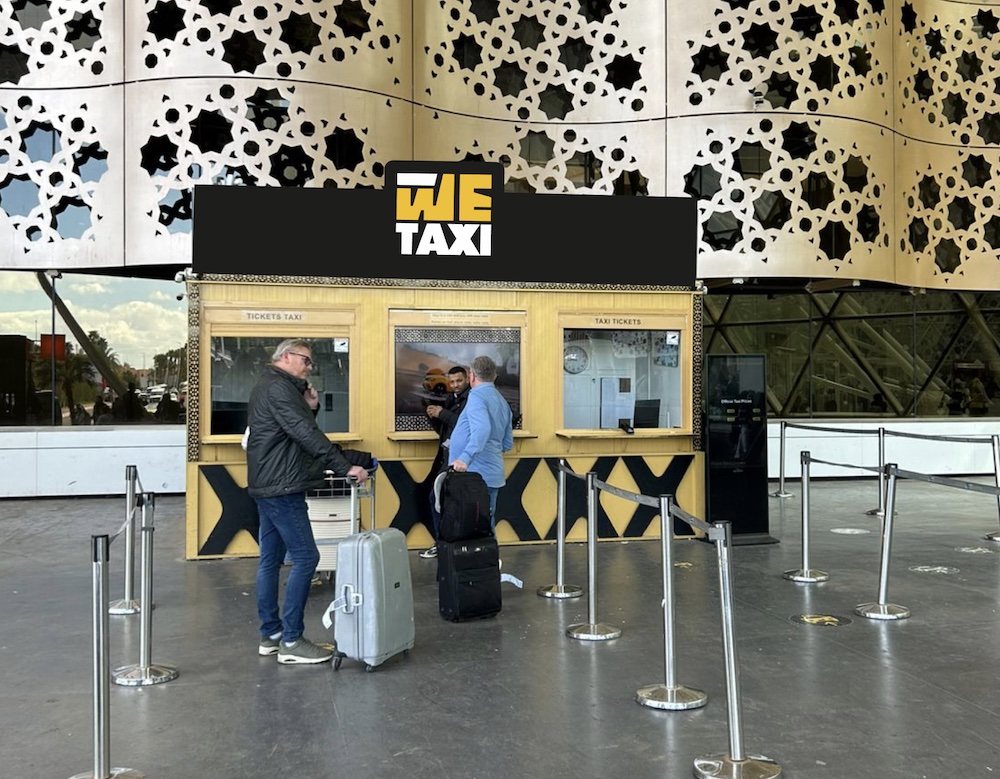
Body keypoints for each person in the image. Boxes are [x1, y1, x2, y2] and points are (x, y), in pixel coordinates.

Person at [246, 338, 370, 665]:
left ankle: (271, 635)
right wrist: (345, 467)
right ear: (286, 356)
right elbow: (304, 433)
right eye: (306, 360)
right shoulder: (279, 388)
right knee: (306, 557)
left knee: (270, 560)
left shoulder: (270, 386)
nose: (309, 367)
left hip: (268, 483)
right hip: (283, 486)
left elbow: (291, 430)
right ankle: (292, 640)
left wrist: (311, 407)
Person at [447, 355, 514, 531]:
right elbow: (507, 444)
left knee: (472, 528)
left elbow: (482, 429)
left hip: (473, 476)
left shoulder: (476, 396)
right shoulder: (502, 402)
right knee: (485, 524)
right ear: (494, 376)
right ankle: (488, 550)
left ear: (472, 376)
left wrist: (465, 458)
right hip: (491, 474)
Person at [420, 365, 470, 559]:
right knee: (439, 499)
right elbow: (445, 429)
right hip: (446, 455)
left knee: (437, 499)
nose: (455, 385)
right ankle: (446, 542)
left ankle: (443, 543)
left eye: (459, 381)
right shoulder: (452, 399)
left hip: (458, 459)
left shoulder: (471, 399)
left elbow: (464, 426)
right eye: (452, 382)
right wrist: (433, 415)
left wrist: (441, 413)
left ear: (467, 379)